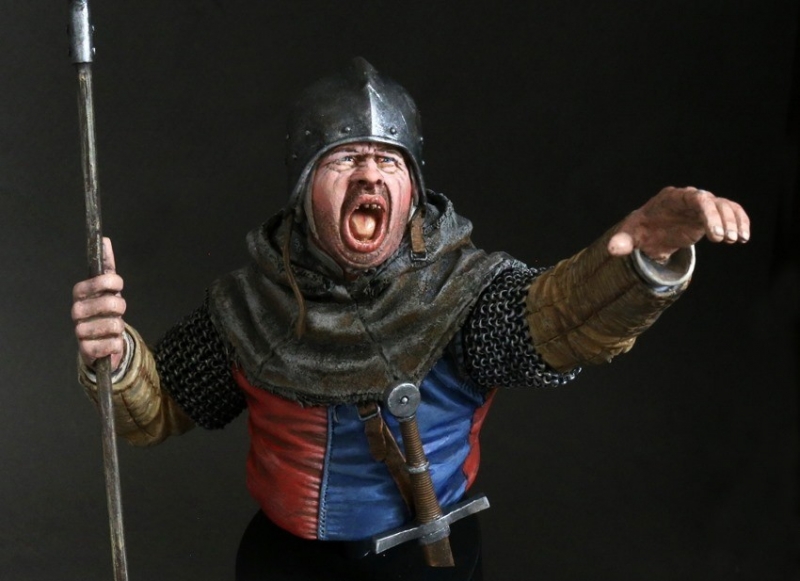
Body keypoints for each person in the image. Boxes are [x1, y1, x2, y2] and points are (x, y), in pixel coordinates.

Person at [71, 58, 750, 555]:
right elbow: (156, 410)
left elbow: (563, 320)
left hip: (422, 565)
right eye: (345, 160)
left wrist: (638, 263)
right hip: (287, 567)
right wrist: (117, 356)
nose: (370, 173)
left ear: (413, 190)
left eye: (389, 161)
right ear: (304, 189)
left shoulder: (465, 290)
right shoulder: (248, 306)